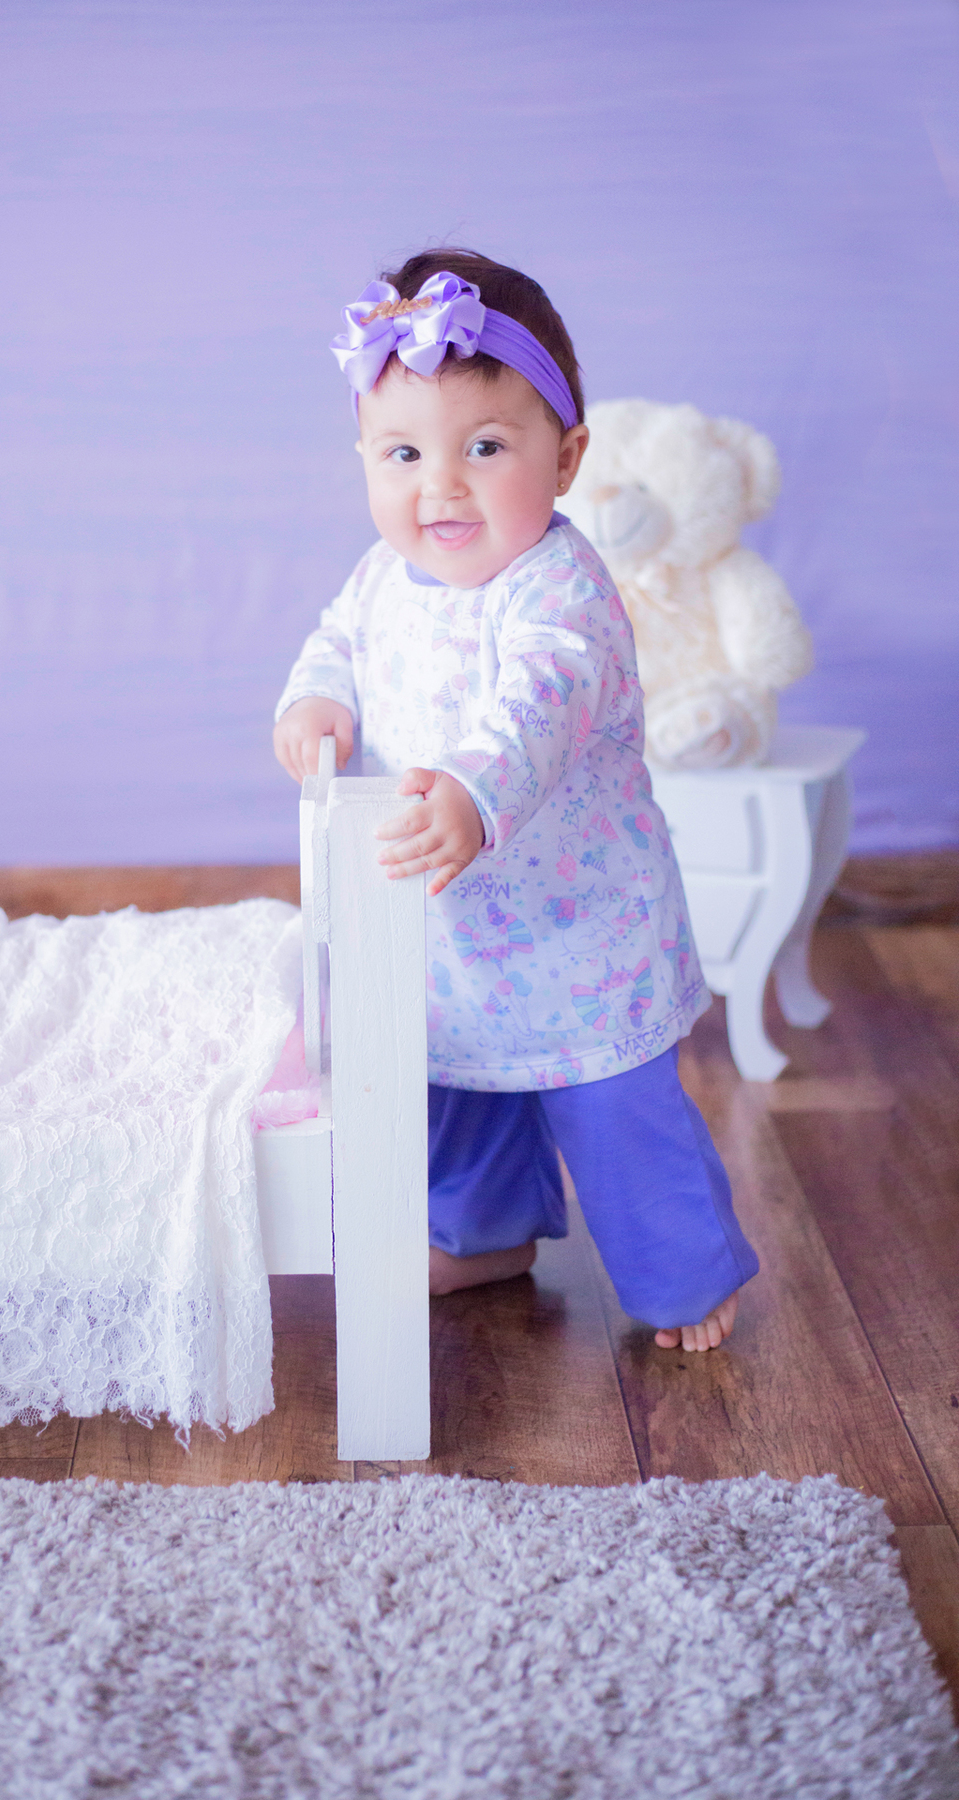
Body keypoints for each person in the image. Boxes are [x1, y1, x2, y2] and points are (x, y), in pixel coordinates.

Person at [273, 249, 758, 1353]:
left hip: (578, 928)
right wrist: (316, 703)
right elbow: (338, 645)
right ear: (362, 458)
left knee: (617, 1116)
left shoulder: (560, 589)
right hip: (444, 920)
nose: (439, 486)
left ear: (567, 455)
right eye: (403, 453)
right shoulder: (379, 576)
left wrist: (474, 795)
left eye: (485, 448)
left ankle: (689, 1276)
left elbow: (542, 708)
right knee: (454, 1091)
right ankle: (481, 1234)